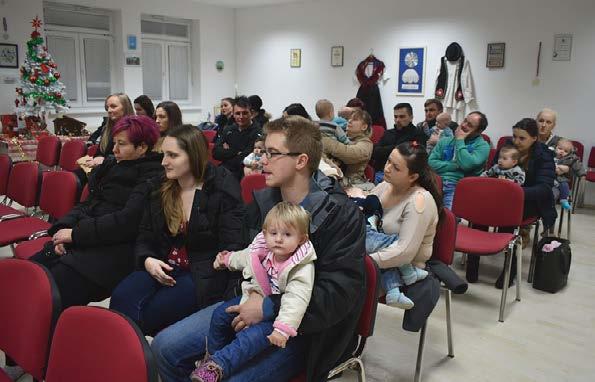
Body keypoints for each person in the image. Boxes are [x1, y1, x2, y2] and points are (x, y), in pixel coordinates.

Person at [151, 115, 366, 382]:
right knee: (164, 348)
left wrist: (267, 307)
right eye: (263, 151)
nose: (262, 160)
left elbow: (337, 296)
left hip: (301, 329)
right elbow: (242, 260)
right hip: (248, 304)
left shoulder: (340, 215)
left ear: (301, 161)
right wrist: (244, 300)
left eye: (272, 153)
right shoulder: (264, 203)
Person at [109, 125, 244, 335]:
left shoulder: (221, 188)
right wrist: (147, 259)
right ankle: (128, 357)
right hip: (163, 263)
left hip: (201, 271)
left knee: (150, 314)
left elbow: (233, 244)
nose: (164, 162)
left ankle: (138, 359)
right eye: (164, 155)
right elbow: (145, 234)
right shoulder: (162, 187)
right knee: (120, 299)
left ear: (193, 156)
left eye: (172, 155)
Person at [29, 115, 163, 309]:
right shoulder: (112, 165)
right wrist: (63, 230)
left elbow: (126, 223)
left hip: (113, 251)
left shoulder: (152, 175)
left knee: (47, 296)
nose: (114, 149)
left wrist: (75, 235)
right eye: (114, 143)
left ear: (142, 147)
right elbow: (88, 204)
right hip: (87, 238)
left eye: (121, 144)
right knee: (28, 274)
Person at [190, 202, 316, 381]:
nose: (278, 239)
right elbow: (244, 257)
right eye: (273, 233)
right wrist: (226, 259)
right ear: (265, 234)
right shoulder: (263, 249)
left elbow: (297, 299)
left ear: (302, 239)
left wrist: (282, 329)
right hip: (254, 298)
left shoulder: (300, 266)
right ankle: (211, 361)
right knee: (219, 315)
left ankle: (218, 366)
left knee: (251, 337)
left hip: (278, 315)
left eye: (287, 234)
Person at [468, 118, 556, 288]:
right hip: (499, 197)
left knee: (508, 220)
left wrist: (513, 193)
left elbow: (544, 189)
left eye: (522, 138)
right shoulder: (506, 147)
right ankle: (473, 264)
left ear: (534, 138)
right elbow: (493, 171)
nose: (516, 141)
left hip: (527, 200)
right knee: (479, 214)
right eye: (514, 136)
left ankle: (509, 272)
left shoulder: (544, 155)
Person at [352, 141, 441, 309]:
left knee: (339, 285)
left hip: (402, 269)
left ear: (413, 177)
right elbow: (367, 214)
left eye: (396, 168)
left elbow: (404, 253)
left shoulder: (419, 201)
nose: (387, 168)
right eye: (388, 161)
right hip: (375, 257)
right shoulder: (386, 186)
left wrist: (359, 261)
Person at [350, 193, 428, 309]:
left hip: (366, 240)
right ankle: (409, 273)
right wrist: (361, 196)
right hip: (362, 234)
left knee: (387, 262)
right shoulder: (354, 202)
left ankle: (393, 294)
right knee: (398, 241)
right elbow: (373, 200)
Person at [428, 111, 490, 209]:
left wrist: (460, 140)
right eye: (465, 121)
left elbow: (466, 165)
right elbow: (431, 163)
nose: (464, 125)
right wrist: (456, 165)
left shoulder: (483, 146)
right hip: (436, 182)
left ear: (478, 131)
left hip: (460, 187)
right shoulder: (445, 141)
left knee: (448, 218)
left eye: (470, 125)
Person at [79, 93, 135, 172]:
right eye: (107, 107)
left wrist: (104, 160)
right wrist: (97, 158)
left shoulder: (133, 129)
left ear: (125, 108)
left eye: (113, 106)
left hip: (120, 170)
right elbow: (100, 151)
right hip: (102, 167)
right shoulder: (107, 128)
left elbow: (128, 157)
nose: (109, 110)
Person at [372, 103, 427, 179]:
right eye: (395, 117)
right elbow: (376, 152)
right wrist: (398, 147)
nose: (398, 120)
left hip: (405, 175)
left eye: (402, 117)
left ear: (411, 117)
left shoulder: (419, 135)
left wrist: (386, 149)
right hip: (382, 172)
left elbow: (413, 158)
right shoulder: (388, 133)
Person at [322, 109, 374, 190]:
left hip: (353, 184)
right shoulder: (340, 137)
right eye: (349, 119)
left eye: (355, 119)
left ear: (364, 127)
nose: (349, 121)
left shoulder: (366, 144)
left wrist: (326, 142)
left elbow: (349, 154)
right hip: (334, 180)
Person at [213, 96, 262, 180]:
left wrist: (227, 153)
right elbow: (215, 153)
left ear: (252, 113)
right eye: (237, 113)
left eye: (245, 113)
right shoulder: (228, 129)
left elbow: (246, 158)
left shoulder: (258, 132)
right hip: (224, 171)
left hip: (243, 174)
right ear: (233, 114)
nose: (241, 117)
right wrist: (236, 152)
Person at [552, 138, 585, 210]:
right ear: (555, 147)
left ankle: (563, 200)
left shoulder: (570, 158)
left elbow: (578, 166)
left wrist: (582, 174)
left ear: (569, 153)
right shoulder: (550, 155)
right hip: (549, 179)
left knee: (565, 185)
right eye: (560, 148)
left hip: (561, 179)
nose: (562, 151)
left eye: (565, 151)